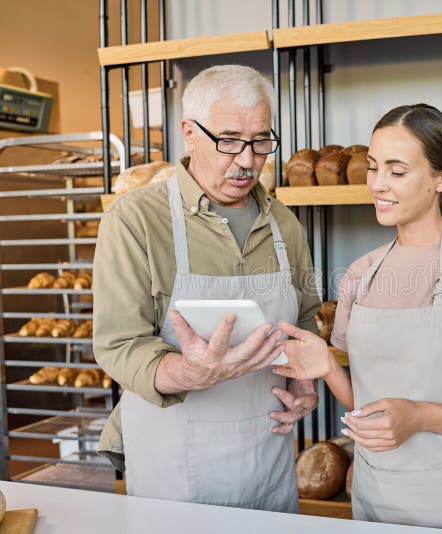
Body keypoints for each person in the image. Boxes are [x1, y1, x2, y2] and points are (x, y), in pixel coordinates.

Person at [272, 104, 442, 533]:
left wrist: (420, 416)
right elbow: (372, 409)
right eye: (374, 168)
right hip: (375, 500)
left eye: (397, 172)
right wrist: (326, 366)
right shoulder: (360, 275)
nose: (378, 185)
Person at [93, 65, 321, 512]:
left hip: (268, 459)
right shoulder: (136, 220)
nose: (247, 159)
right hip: (174, 467)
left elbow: (307, 317)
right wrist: (192, 373)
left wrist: (306, 380)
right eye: (230, 140)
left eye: (261, 141)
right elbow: (118, 345)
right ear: (189, 134)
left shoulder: (284, 224)